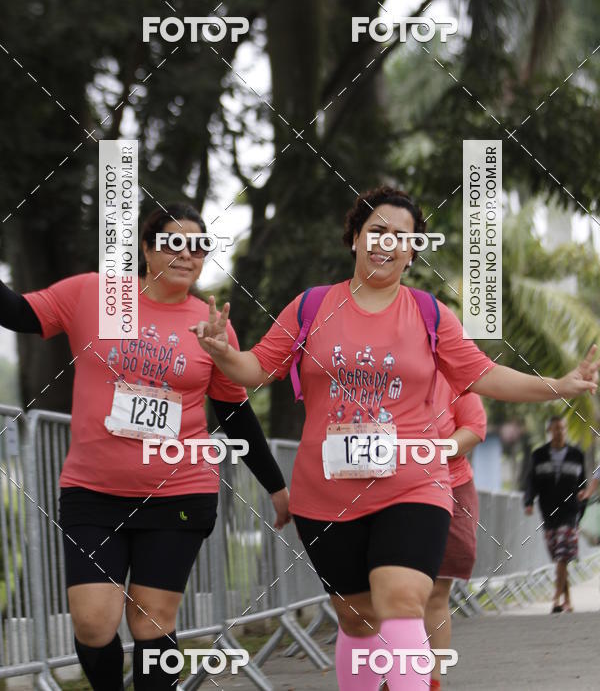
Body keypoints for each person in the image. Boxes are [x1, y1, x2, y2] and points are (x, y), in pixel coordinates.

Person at [189, 185, 598, 690]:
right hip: (327, 495)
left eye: (401, 236)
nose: (388, 243)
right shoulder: (312, 307)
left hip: (413, 485)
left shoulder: (430, 315)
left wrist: (560, 384)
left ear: (413, 250)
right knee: (357, 619)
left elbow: (485, 375)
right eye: (377, 231)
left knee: (403, 601)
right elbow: (255, 368)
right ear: (355, 239)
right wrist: (222, 354)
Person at [0, 202, 290, 690]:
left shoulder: (210, 322)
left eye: (198, 245)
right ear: (147, 248)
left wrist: (276, 486)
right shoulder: (93, 294)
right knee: (94, 623)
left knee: (152, 620)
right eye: (173, 242)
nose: (186, 253)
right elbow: (16, 313)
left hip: (179, 489)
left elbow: (234, 413)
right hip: (93, 491)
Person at [424, 376, 486, 691]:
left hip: (451, 487)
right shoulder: (384, 369)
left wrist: (431, 451)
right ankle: (394, 675)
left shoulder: (452, 376)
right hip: (391, 489)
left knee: (435, 591)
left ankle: (432, 681)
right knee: (391, 592)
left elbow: (475, 426)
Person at [524, 415, 587, 613]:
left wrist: (581, 512)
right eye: (556, 429)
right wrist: (528, 501)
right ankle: (567, 598)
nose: (559, 432)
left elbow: (582, 484)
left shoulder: (577, 454)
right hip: (549, 513)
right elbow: (531, 482)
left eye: (562, 428)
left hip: (570, 512)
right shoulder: (539, 455)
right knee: (559, 556)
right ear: (549, 431)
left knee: (562, 553)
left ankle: (556, 599)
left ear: (566, 430)